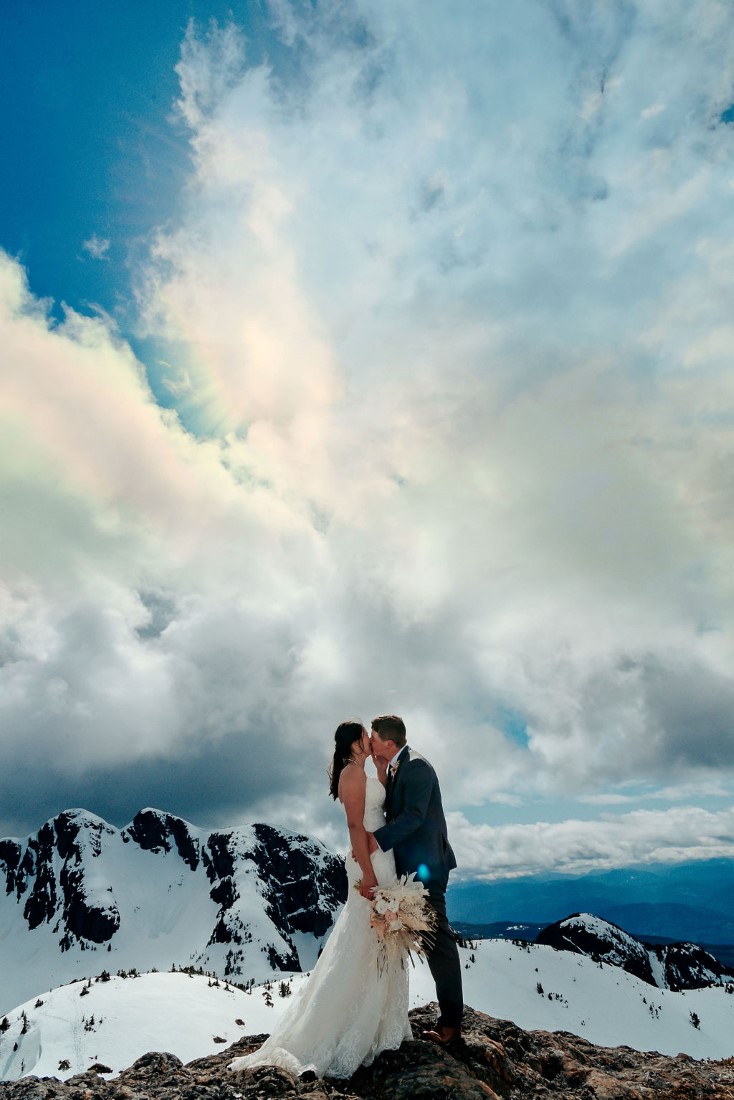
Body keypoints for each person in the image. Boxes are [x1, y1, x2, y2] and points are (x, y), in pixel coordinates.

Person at [229, 720, 412, 1080]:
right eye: (365, 735)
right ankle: (356, 1025)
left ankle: (382, 1020)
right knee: (369, 934)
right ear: (355, 742)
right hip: (370, 860)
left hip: (380, 856)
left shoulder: (361, 771)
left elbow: (378, 811)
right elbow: (356, 826)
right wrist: (369, 874)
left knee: (379, 935)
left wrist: (380, 773)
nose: (369, 738)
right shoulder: (352, 774)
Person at [369, 714, 464, 1045]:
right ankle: (448, 1019)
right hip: (415, 868)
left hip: (428, 868)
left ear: (388, 742)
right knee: (431, 940)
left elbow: (414, 816)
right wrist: (381, 773)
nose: (369, 741)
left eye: (373, 737)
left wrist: (375, 840)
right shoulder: (399, 766)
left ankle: (451, 1025)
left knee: (438, 942)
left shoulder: (417, 767)